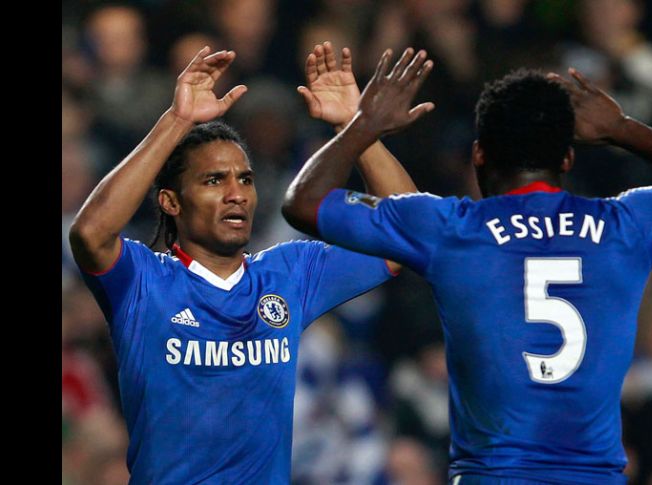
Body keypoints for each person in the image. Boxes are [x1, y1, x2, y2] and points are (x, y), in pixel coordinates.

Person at [282, 47, 652, 483]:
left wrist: (362, 125)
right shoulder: (627, 226)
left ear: (479, 154)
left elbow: (303, 202)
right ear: (567, 159)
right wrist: (623, 129)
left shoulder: (452, 230)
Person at [69, 43, 416, 483]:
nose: (236, 193)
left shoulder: (290, 274)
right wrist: (176, 121)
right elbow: (90, 233)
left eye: (245, 179)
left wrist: (356, 127)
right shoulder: (143, 280)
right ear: (171, 201)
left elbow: (405, 233)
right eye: (214, 180)